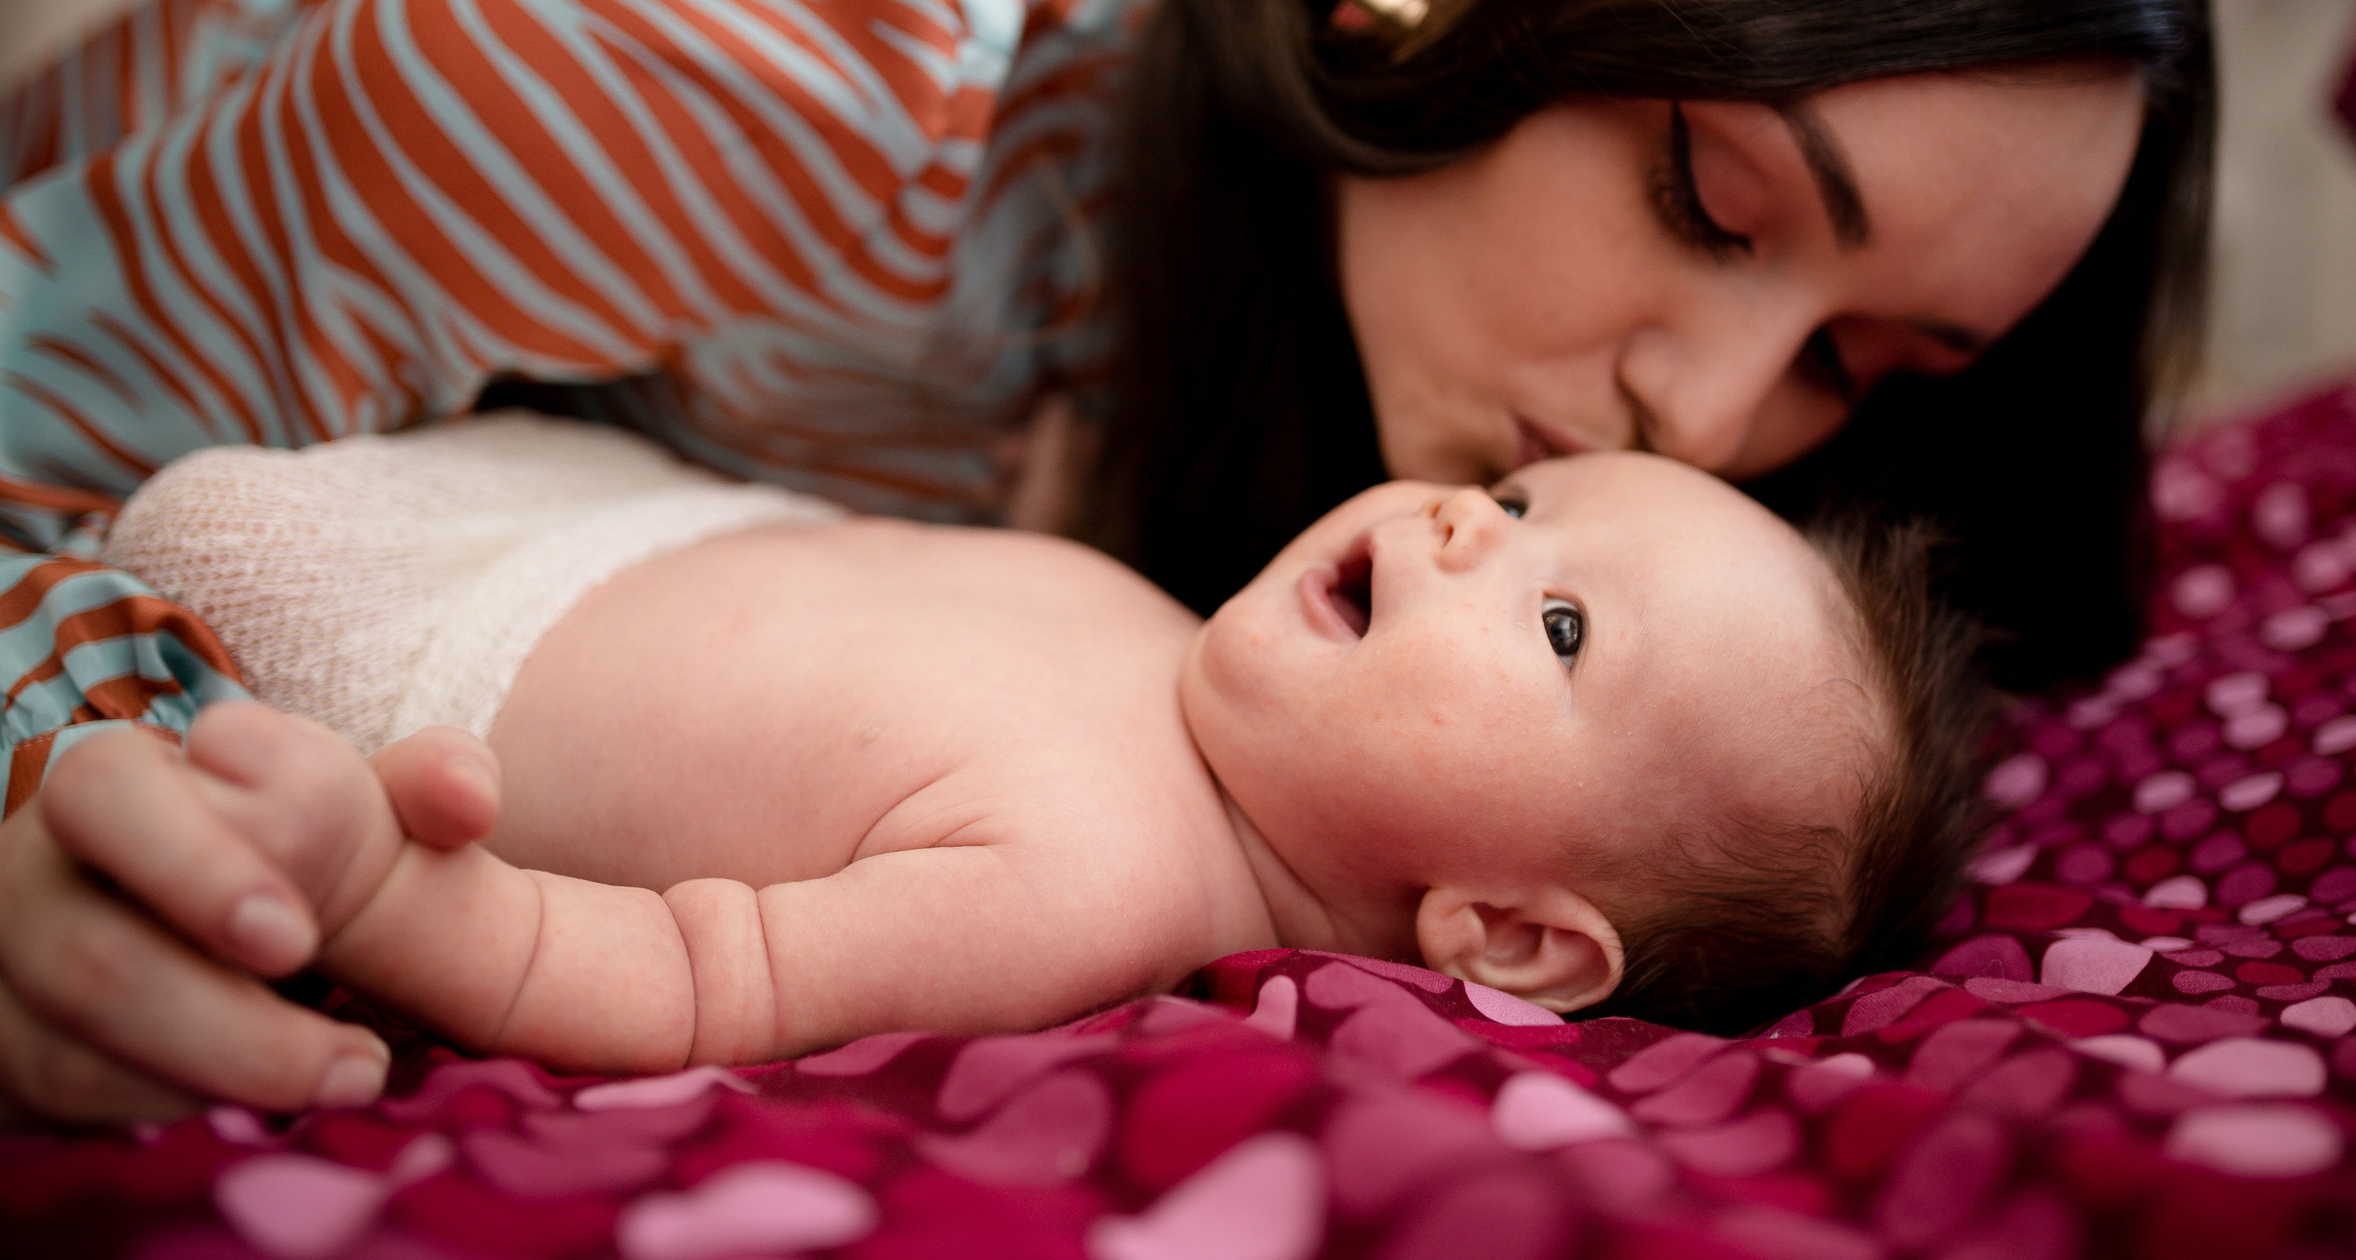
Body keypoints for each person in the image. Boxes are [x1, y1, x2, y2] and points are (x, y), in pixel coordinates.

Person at [0, 0, 2210, 1122]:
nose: (1711, 424)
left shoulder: (1422, 575)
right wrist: (71, 796)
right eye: (1705, 198)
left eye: (1863, 369)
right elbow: (37, 410)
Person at [105, 412, 1983, 1061]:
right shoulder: (1186, 649)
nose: (1465, 526)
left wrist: (383, 889)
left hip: (398, 664)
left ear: (1506, 934)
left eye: (1560, 622)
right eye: (1519, 495)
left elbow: (700, 979)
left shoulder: (1097, 883)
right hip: (573, 503)